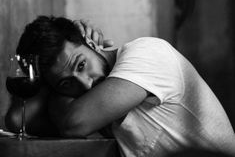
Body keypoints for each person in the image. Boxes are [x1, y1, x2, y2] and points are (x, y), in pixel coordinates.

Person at [5, 16, 235, 157]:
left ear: (91, 42)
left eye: (82, 64)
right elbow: (17, 120)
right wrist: (42, 79)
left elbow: (75, 124)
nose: (86, 83)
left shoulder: (147, 52)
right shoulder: (93, 101)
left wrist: (58, 86)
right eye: (67, 83)